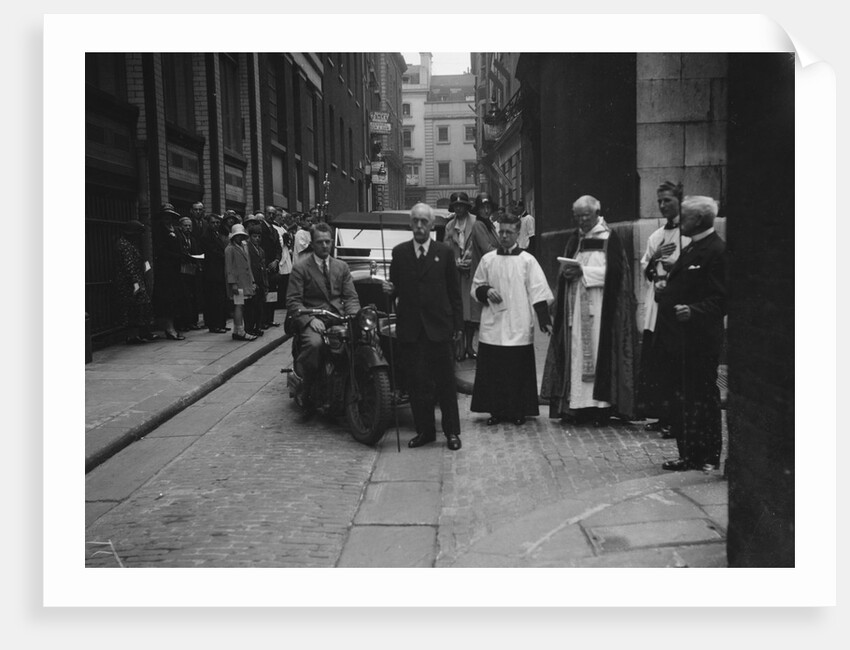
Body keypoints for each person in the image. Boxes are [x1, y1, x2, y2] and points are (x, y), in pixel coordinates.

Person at [540, 195, 640, 425]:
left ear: (597, 213)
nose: (581, 221)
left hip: (601, 310)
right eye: (577, 216)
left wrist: (583, 272)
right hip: (576, 308)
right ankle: (576, 406)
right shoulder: (576, 238)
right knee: (576, 355)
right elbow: (568, 267)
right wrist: (566, 275)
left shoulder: (609, 237)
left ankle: (599, 409)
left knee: (597, 356)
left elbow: (618, 275)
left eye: (585, 215)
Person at [381, 203, 464, 451]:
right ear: (411, 224)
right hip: (411, 330)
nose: (419, 226)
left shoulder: (445, 253)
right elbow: (394, 290)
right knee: (418, 384)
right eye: (415, 221)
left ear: (430, 225)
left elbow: (454, 293)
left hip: (439, 328)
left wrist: (458, 326)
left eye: (423, 222)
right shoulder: (400, 253)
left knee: (446, 384)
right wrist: (389, 290)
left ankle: (451, 433)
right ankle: (425, 431)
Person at [654, 196, 727, 472]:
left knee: (702, 397)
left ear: (698, 220)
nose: (678, 221)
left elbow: (721, 299)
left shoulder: (716, 250)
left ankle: (706, 456)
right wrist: (666, 291)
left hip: (699, 341)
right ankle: (690, 454)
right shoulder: (694, 247)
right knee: (685, 397)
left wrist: (694, 311)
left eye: (684, 217)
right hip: (681, 340)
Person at [470, 214, 553, 425]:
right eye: (502, 232)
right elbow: (476, 286)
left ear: (517, 233)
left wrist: (544, 319)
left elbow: (538, 289)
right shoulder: (488, 260)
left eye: (509, 232)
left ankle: (518, 411)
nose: (505, 236)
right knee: (495, 369)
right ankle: (496, 411)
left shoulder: (527, 261)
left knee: (516, 369)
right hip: (494, 323)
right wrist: (486, 291)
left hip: (518, 321)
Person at [636, 181, 691, 436]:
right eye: (659, 201)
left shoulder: (689, 234)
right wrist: (656, 257)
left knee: (673, 365)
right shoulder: (655, 237)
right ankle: (661, 415)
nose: (662, 205)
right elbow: (645, 265)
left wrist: (673, 268)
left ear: (679, 200)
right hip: (656, 307)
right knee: (656, 363)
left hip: (675, 307)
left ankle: (675, 419)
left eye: (667, 200)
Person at [285, 222, 360, 399]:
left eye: (327, 241)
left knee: (362, 339)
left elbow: (350, 296)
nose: (324, 245)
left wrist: (354, 316)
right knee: (315, 344)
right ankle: (308, 387)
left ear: (332, 241)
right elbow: (293, 301)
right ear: (312, 243)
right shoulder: (301, 268)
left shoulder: (341, 266)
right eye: (320, 242)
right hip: (313, 317)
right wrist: (310, 319)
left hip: (337, 317)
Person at [444, 191, 486, 361]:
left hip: (473, 271)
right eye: (456, 206)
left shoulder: (476, 223)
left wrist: (470, 261)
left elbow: (481, 246)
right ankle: (459, 347)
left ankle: (470, 345)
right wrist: (455, 263)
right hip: (456, 274)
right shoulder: (449, 226)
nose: (459, 208)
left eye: (462, 205)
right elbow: (446, 248)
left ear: (467, 207)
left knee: (472, 311)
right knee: (459, 310)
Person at [114, 219, 157, 344]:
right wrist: (136, 284)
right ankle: (134, 335)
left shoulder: (127, 244)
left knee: (138, 307)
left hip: (133, 281)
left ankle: (141, 333)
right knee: (134, 308)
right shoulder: (125, 245)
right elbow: (130, 267)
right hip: (130, 283)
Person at [151, 203, 186, 340]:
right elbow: (161, 250)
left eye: (170, 216)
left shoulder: (176, 230)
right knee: (167, 300)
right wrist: (177, 256)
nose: (168, 219)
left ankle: (174, 327)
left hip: (176, 270)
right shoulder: (159, 230)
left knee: (176, 299)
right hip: (165, 271)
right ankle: (169, 328)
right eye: (165, 216)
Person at [224, 223, 257, 341]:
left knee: (241, 306)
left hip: (245, 281)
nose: (239, 238)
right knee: (238, 305)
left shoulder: (243, 247)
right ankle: (239, 330)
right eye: (237, 236)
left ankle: (238, 329)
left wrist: (252, 281)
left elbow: (248, 265)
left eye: (240, 235)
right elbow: (229, 268)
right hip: (237, 282)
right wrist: (232, 283)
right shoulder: (229, 249)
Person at [200, 213, 230, 333]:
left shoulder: (218, 235)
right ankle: (214, 325)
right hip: (212, 272)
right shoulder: (206, 237)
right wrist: (226, 256)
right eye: (213, 223)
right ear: (209, 223)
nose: (216, 225)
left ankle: (221, 323)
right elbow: (213, 252)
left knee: (220, 299)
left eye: (217, 223)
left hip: (220, 271)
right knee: (214, 300)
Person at [176, 215, 203, 331]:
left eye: (189, 226)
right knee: (184, 297)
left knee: (193, 296)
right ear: (180, 227)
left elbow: (196, 252)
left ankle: (193, 321)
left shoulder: (192, 239)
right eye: (185, 226)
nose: (188, 228)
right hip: (182, 270)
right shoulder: (178, 238)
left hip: (192, 270)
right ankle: (184, 322)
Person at [260, 205, 283, 329]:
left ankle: (270, 318)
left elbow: (278, 248)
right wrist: (266, 263)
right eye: (269, 213)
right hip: (265, 267)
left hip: (274, 266)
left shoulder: (274, 230)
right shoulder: (260, 228)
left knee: (273, 294)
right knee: (265, 294)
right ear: (265, 213)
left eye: (273, 214)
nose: (271, 216)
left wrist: (276, 260)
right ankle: (263, 320)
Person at [245, 220, 268, 337]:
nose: (257, 239)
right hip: (253, 280)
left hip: (261, 280)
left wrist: (265, 283)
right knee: (251, 307)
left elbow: (263, 268)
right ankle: (249, 328)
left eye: (259, 236)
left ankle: (257, 327)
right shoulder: (247, 249)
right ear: (250, 237)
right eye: (254, 236)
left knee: (260, 307)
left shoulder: (261, 250)